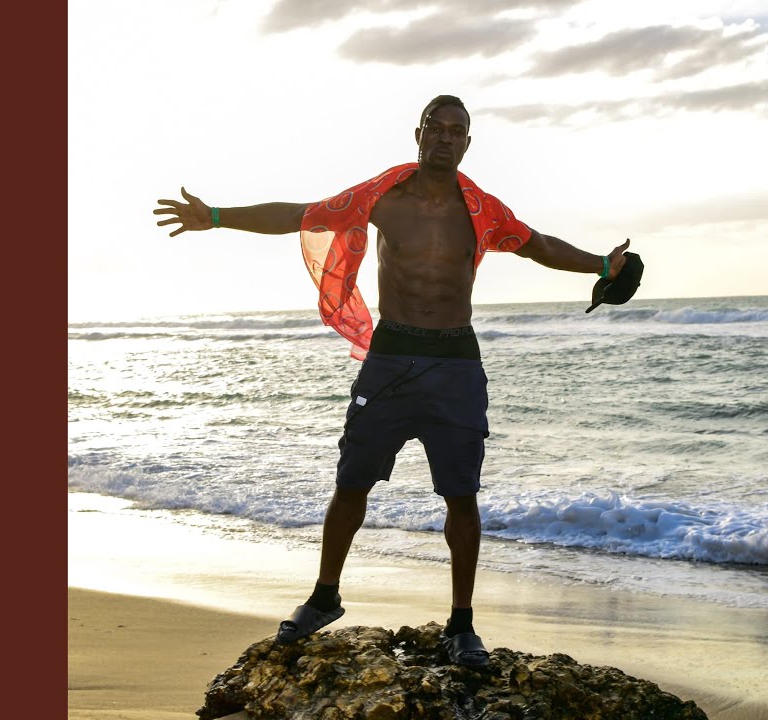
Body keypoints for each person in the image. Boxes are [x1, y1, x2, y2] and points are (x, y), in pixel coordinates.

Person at [154, 95, 632, 668]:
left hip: (455, 363)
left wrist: (601, 266)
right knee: (351, 481)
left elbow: (540, 247)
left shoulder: (482, 209)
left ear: (468, 143)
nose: (445, 138)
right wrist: (215, 216)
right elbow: (300, 214)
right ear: (418, 133)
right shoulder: (382, 196)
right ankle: (324, 598)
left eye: (456, 131)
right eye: (436, 128)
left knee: (461, 496)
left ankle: (461, 624)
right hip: (390, 359)